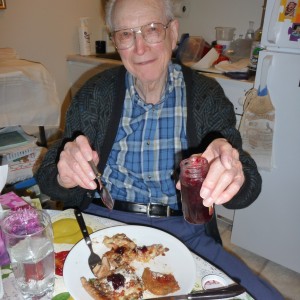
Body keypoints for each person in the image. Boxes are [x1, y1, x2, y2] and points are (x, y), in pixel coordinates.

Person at [36, 0, 283, 298]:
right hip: (103, 228)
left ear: (173, 32)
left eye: (152, 29)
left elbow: (246, 184)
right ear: (116, 40)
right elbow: (51, 175)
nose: (140, 48)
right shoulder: (94, 95)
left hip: (185, 231)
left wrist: (235, 176)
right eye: (126, 34)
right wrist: (64, 174)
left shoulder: (206, 95)